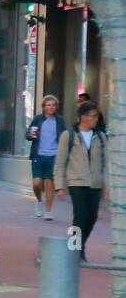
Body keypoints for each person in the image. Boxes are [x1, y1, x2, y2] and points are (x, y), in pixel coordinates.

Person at [54, 100, 106, 260]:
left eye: (96, 116)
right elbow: (60, 162)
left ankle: (79, 244)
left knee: (92, 217)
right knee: (80, 215)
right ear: (83, 117)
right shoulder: (68, 135)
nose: (96, 119)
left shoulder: (101, 137)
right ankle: (75, 250)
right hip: (77, 182)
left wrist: (107, 186)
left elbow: (107, 163)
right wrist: (59, 186)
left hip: (95, 183)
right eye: (93, 116)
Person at [26, 95, 65, 221]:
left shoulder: (59, 120)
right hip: (38, 154)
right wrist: (31, 135)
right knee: (36, 183)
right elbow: (28, 134)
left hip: (53, 156)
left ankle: (48, 211)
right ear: (44, 107)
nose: (51, 107)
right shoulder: (38, 119)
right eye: (48, 105)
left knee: (49, 184)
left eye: (53, 105)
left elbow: (64, 137)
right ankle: (38, 201)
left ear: (56, 107)